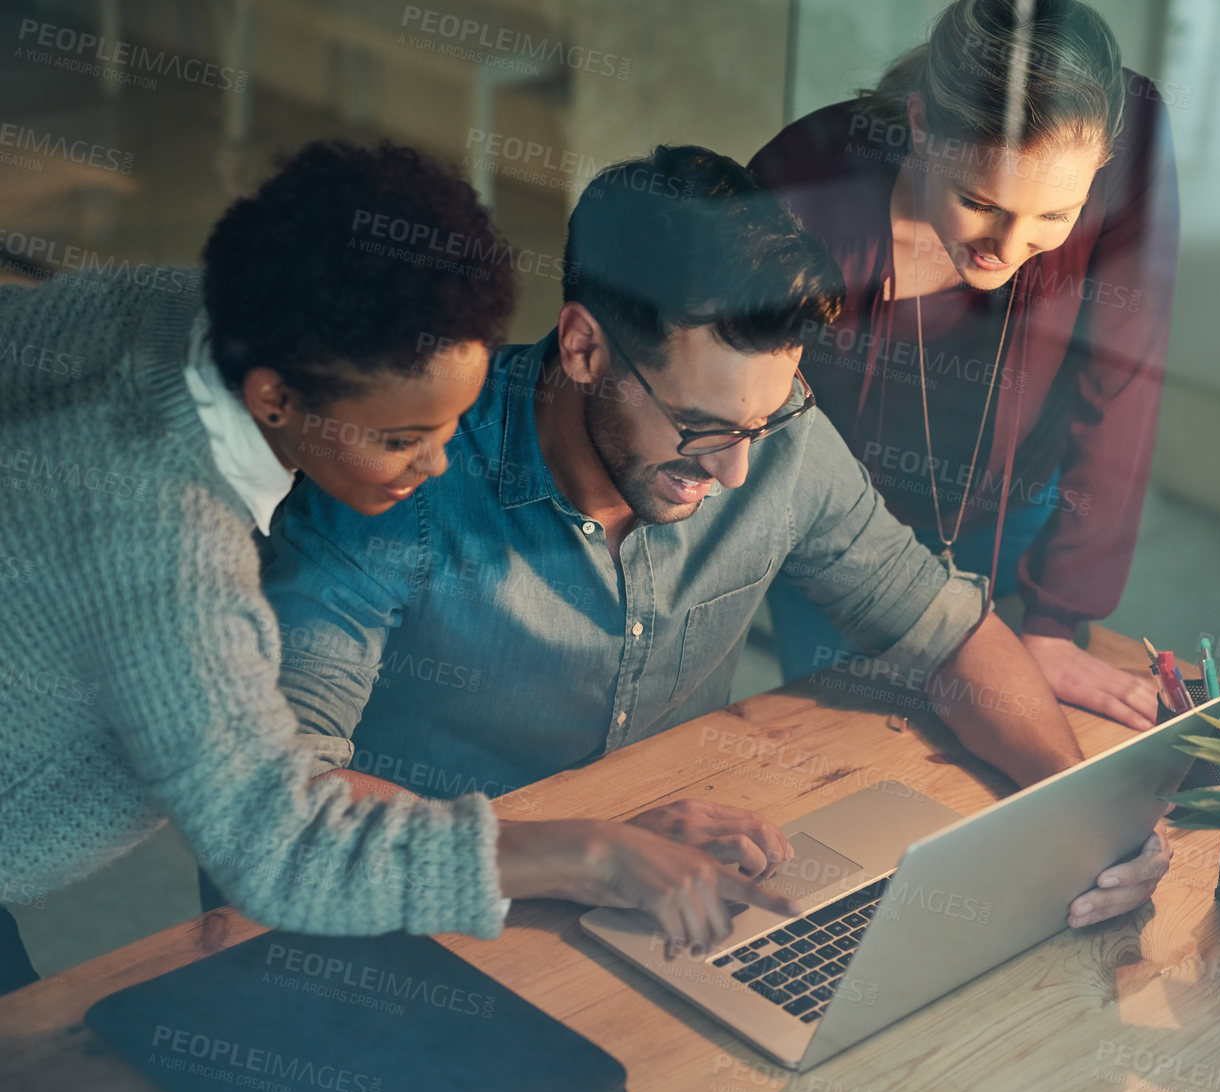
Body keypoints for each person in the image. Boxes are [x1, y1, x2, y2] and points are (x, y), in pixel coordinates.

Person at [261, 144, 1174, 943]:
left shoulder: (772, 437)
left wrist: (1079, 812)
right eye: (699, 427)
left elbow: (947, 633)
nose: (737, 474)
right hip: (413, 923)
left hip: (656, 905)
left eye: (761, 422)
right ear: (583, 349)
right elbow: (283, 801)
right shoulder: (396, 477)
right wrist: (587, 850)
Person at [0, 140, 794, 1000]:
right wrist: (588, 852)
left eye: (451, 422)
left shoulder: (174, 308)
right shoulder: (168, 550)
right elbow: (282, 849)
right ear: (274, 398)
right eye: (399, 439)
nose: (438, 464)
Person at [750, 0, 1179, 732]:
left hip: (1016, 507)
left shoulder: (1131, 136)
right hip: (839, 530)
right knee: (842, 757)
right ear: (920, 123)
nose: (1006, 250)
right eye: (979, 202)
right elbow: (747, 412)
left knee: (990, 757)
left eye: (1052, 216)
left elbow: (1121, 387)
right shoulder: (802, 179)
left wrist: (1053, 620)